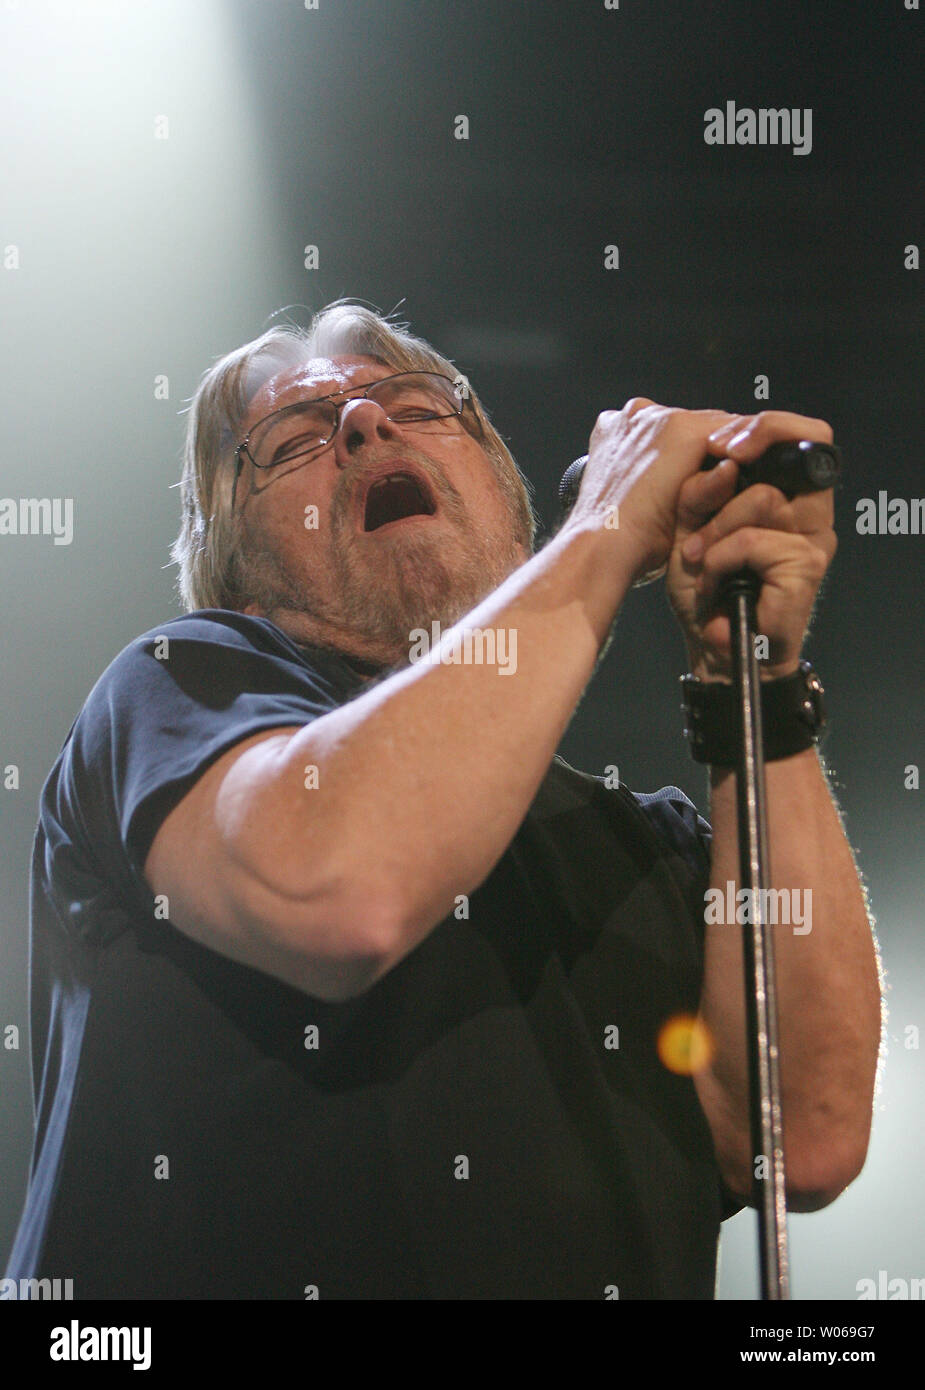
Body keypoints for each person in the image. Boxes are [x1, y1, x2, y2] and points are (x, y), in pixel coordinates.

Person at [4, 301, 881, 1300]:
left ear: (509, 504)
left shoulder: (647, 846)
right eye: (295, 436)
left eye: (416, 406)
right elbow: (338, 887)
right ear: (238, 575)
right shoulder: (173, 692)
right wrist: (602, 530)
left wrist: (754, 683)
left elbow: (799, 1136)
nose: (364, 426)